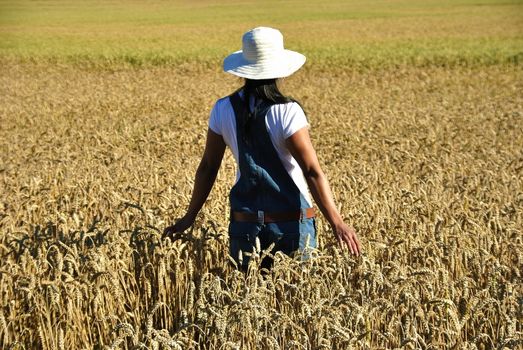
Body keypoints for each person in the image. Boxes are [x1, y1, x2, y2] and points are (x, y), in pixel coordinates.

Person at [163, 27, 361, 270]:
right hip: (292, 226)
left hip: (245, 227)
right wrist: (337, 222)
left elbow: (207, 168)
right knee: (293, 304)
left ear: (244, 68)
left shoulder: (222, 109)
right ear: (279, 69)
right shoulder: (287, 111)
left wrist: (188, 217)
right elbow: (311, 170)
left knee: (246, 299)